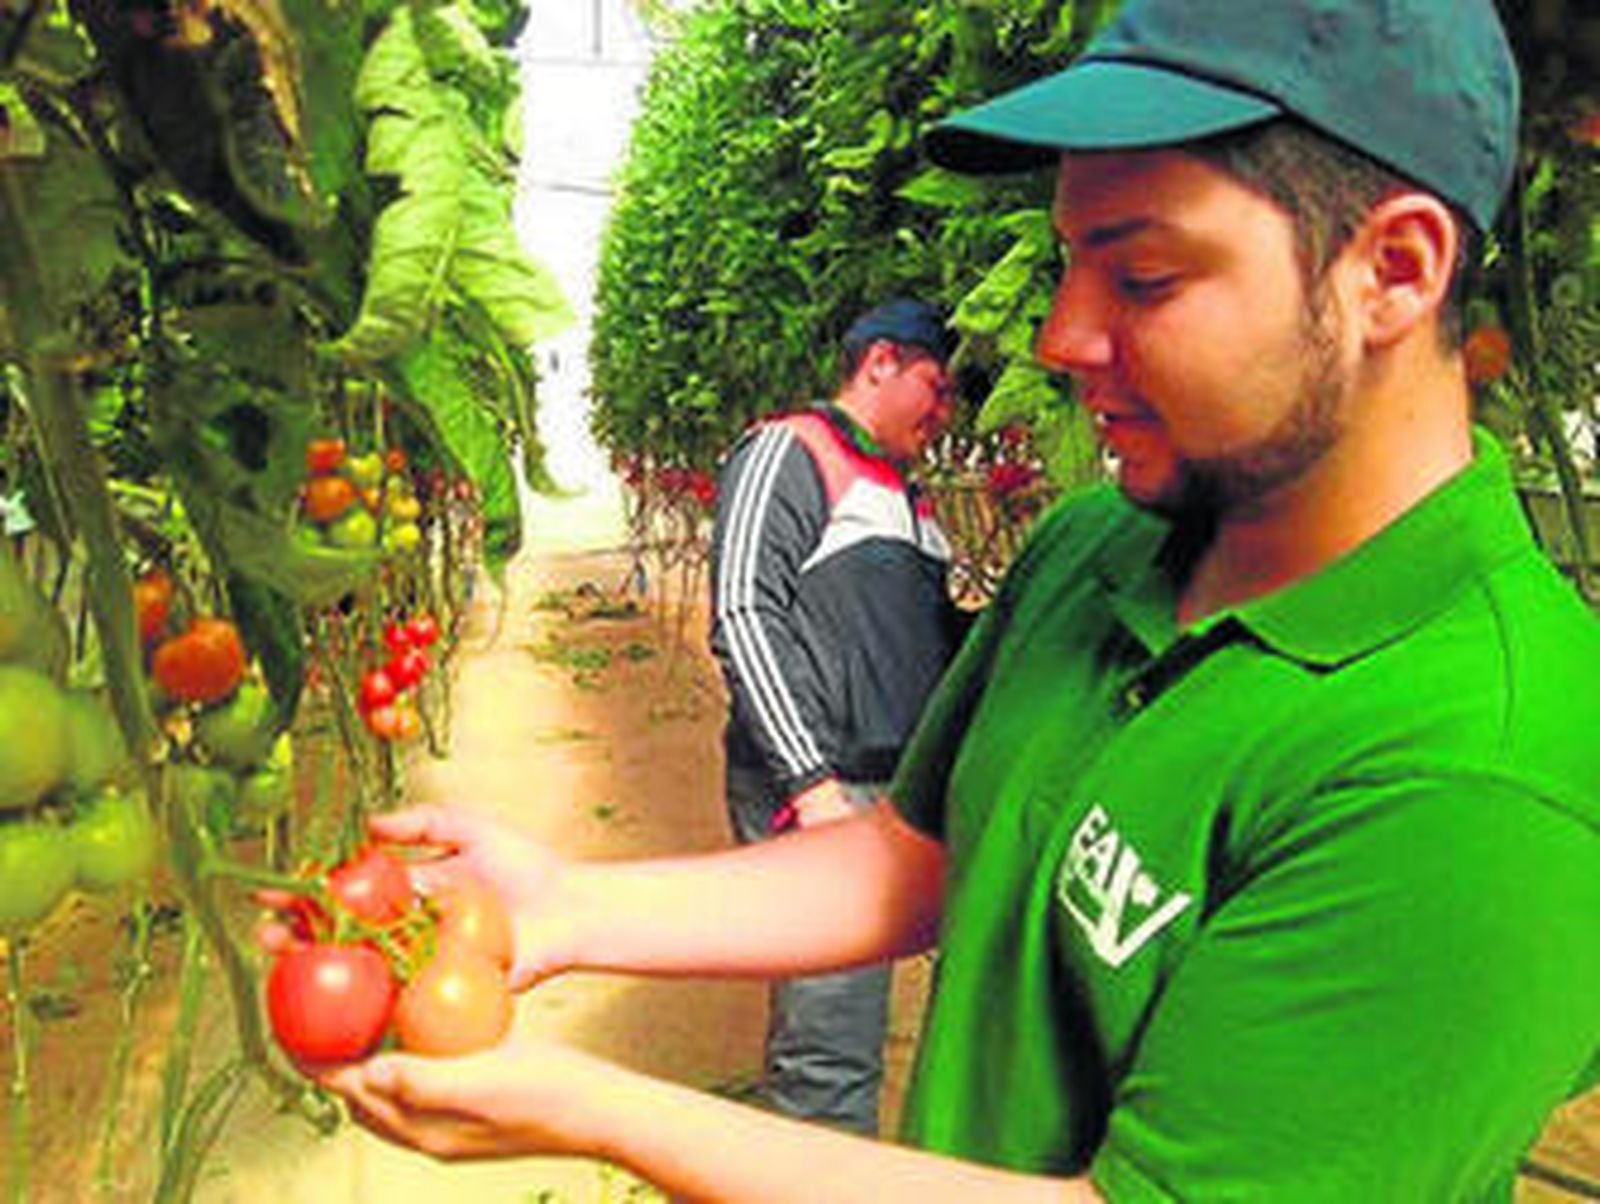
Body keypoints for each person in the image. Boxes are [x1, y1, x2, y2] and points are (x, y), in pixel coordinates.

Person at [316, 1, 1600, 1199]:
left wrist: (588, 1108)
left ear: (1395, 268)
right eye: (1065, 265)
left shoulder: (1480, 771)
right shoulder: (1096, 548)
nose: (1057, 336)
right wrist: (565, 905)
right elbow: (910, 854)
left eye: (1142, 277)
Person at [707, 298, 965, 1134]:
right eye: (937, 384)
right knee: (831, 1037)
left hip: (902, 792)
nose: (946, 411)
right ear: (881, 362)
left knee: (909, 1017)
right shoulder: (790, 451)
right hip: (824, 790)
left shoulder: (908, 497)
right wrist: (811, 786)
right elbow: (744, 613)